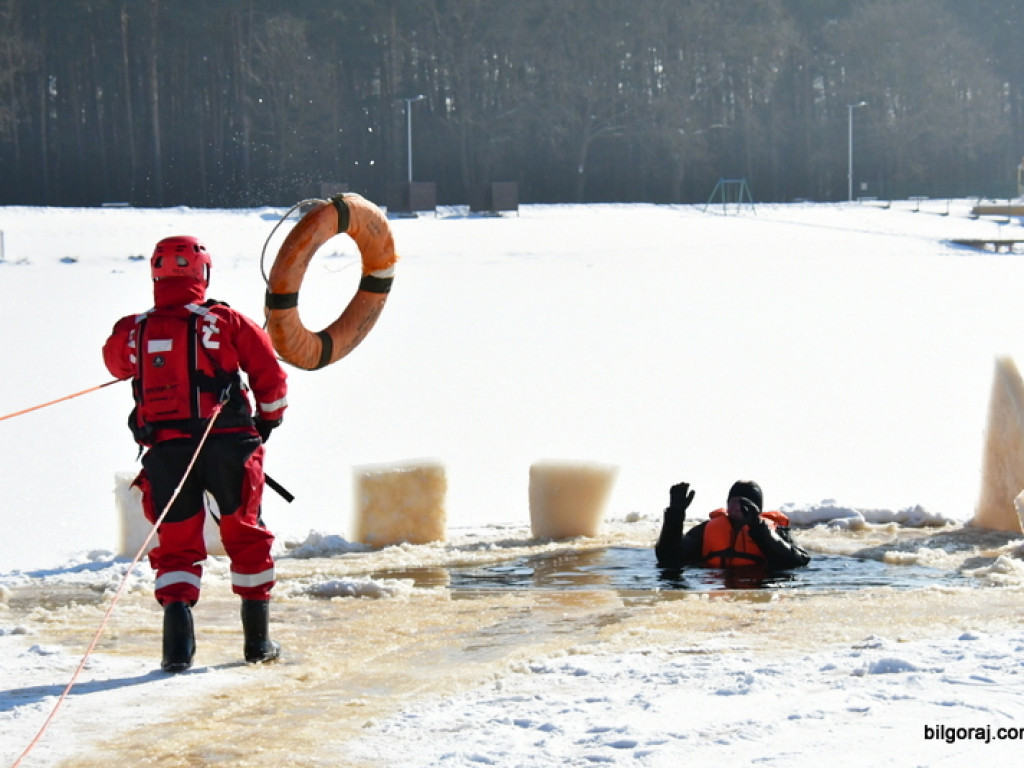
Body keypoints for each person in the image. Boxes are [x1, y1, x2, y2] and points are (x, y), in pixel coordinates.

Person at [103, 235, 288, 673]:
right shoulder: (224, 320)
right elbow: (271, 377)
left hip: (167, 455)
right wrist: (267, 422)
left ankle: (176, 651)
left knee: (176, 548)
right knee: (245, 534)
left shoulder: (134, 328)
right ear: (202, 273)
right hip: (230, 448)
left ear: (155, 273)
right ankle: (258, 644)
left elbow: (115, 363)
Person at [655, 480, 810, 571]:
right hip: (718, 589)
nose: (736, 507)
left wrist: (758, 528)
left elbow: (800, 561)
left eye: (743, 503)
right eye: (733, 502)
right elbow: (668, 557)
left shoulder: (773, 531)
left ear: (757, 508)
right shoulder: (709, 529)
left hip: (758, 588)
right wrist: (675, 515)